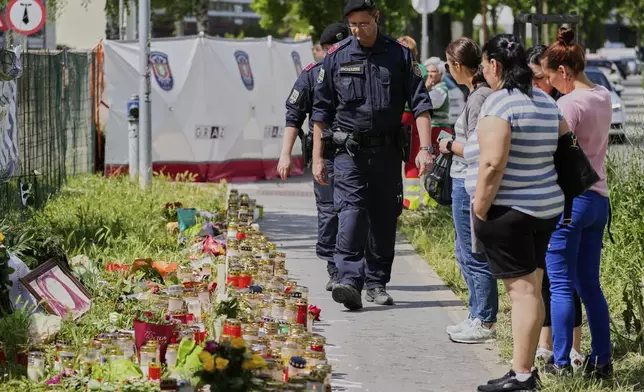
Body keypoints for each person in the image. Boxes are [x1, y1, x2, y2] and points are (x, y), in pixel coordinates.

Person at [311, 0, 433, 310]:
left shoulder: (400, 55)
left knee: (383, 216)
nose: (357, 29)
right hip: (348, 153)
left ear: (376, 18)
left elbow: (421, 104)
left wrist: (427, 148)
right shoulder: (336, 58)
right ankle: (349, 279)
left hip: (388, 153)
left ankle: (377, 282)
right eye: (352, 24)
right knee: (351, 212)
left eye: (363, 23)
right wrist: (316, 157)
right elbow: (320, 112)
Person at [468, 34, 566, 392]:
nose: (483, 72)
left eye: (483, 65)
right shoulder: (546, 101)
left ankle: (522, 375)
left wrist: (479, 209)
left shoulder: (500, 104)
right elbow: (564, 149)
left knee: (523, 293)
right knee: (534, 287)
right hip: (546, 208)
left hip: (511, 211)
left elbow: (492, 164)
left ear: (494, 65)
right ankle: (523, 369)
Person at [541, 27, 613, 379]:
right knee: (590, 285)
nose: (551, 84)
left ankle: (560, 363)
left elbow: (553, 154)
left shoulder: (568, 104)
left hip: (571, 203)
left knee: (559, 285)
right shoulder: (601, 95)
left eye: (552, 77)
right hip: (600, 200)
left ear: (564, 71)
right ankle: (602, 361)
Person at [278, 22, 351, 291]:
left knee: (355, 212)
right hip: (327, 156)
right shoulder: (312, 76)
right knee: (330, 213)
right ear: (322, 51)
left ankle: (354, 268)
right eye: (334, 48)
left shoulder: (359, 71)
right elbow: (293, 115)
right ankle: (335, 268)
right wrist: (286, 154)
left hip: (357, 154)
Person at [525, 44, 585, 368]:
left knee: (566, 279)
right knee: (548, 279)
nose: (537, 83)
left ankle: (573, 349)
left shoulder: (561, 107)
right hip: (545, 199)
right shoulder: (541, 104)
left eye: (539, 77)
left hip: (564, 201)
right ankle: (546, 343)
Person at [440, 37, 498, 344]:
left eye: (449, 65)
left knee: (475, 254)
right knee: (463, 252)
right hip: (464, 180)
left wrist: (448, 145)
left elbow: (478, 146)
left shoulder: (479, 97)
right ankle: (476, 313)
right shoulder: (475, 93)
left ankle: (485, 319)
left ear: (457, 65)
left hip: (470, 182)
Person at [399, 35, 429, 210]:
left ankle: (403, 200)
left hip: (399, 115)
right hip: (414, 117)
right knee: (411, 158)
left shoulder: (392, 65)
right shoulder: (420, 69)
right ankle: (411, 202)